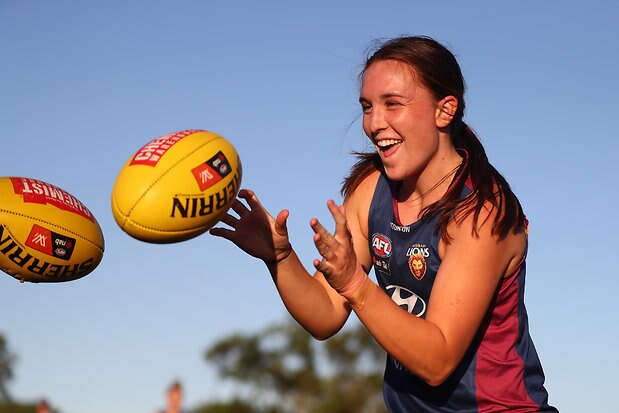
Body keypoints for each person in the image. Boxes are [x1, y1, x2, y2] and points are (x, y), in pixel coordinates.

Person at [210, 35, 557, 412]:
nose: (374, 123)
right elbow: (324, 316)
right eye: (367, 107)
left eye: (392, 104)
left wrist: (356, 285)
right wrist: (278, 256)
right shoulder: (371, 190)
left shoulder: (480, 212)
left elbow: (437, 360)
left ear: (445, 110)